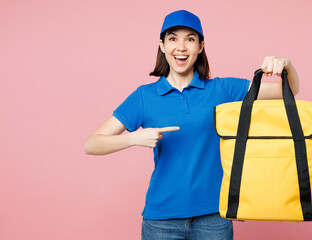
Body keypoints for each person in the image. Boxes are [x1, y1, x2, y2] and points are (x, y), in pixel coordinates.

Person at [84, 9, 300, 240]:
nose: (181, 47)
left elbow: (290, 90)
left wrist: (286, 66)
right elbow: (92, 144)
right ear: (162, 45)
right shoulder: (144, 96)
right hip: (161, 220)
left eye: (190, 39)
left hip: (214, 217)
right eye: (173, 38)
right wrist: (134, 138)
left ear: (200, 46)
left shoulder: (222, 90)